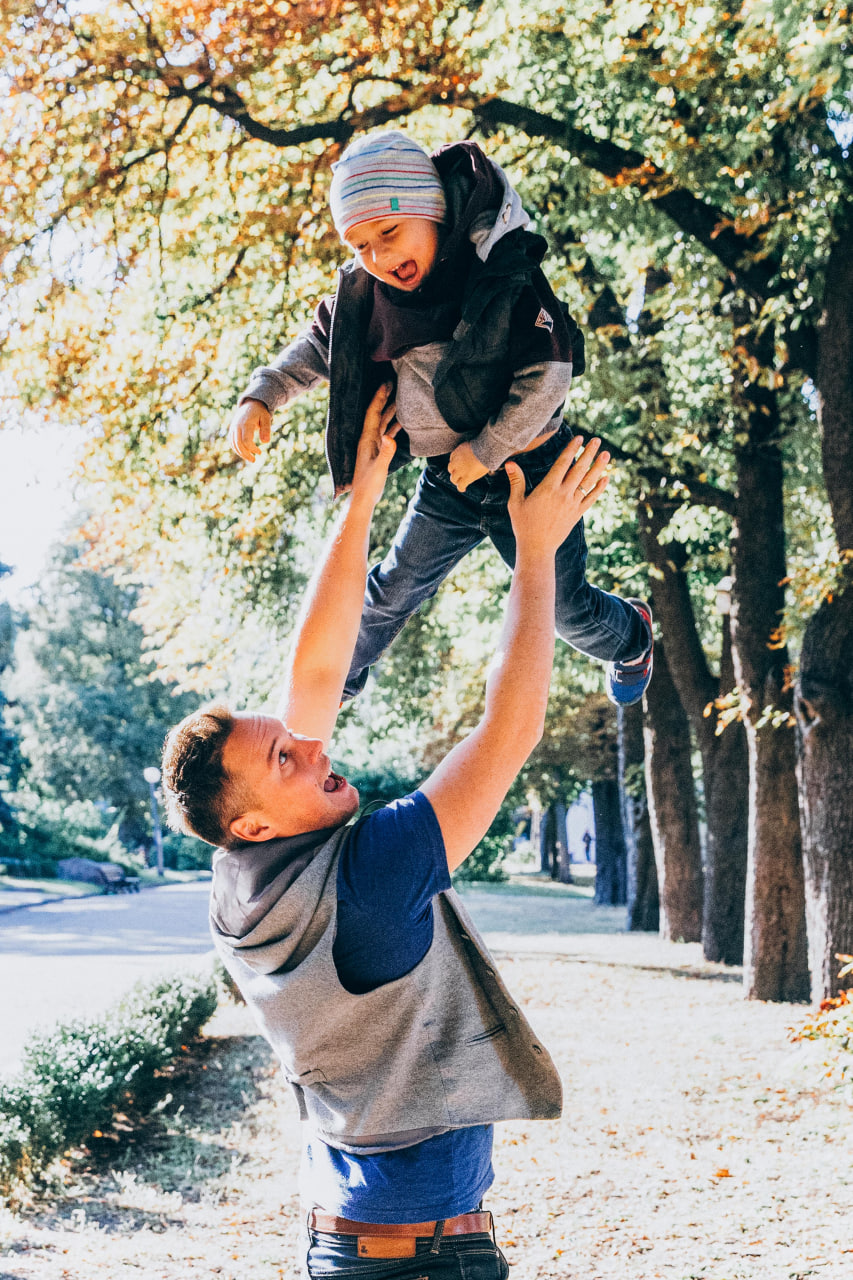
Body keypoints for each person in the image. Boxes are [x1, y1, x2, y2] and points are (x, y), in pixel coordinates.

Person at [162, 385, 611, 1277]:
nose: (307, 745)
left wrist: (363, 498)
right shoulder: (373, 874)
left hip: (338, 1238)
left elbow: (318, 668)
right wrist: (534, 553)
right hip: (425, 1261)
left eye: (289, 741)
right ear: (254, 820)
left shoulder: (239, 884)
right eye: (286, 759)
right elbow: (509, 730)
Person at [227, 129, 653, 707]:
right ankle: (332, 688)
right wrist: (263, 394)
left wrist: (487, 451)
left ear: (432, 212)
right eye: (360, 247)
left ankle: (631, 635)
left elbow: (549, 378)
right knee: (391, 587)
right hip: (448, 480)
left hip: (532, 470)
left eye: (389, 233)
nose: (378, 258)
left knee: (562, 607)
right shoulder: (371, 302)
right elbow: (317, 349)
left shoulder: (501, 272)